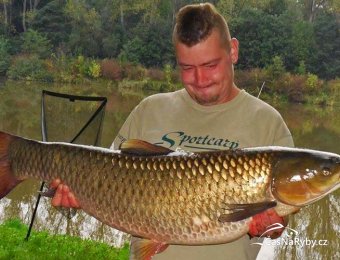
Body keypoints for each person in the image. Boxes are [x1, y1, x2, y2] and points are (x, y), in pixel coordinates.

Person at [50, 3, 294, 260]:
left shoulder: (268, 123)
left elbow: (281, 223)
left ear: (233, 50)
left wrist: (272, 226)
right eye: (187, 68)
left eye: (210, 65)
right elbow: (103, 181)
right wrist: (73, 200)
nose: (200, 80)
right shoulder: (150, 109)